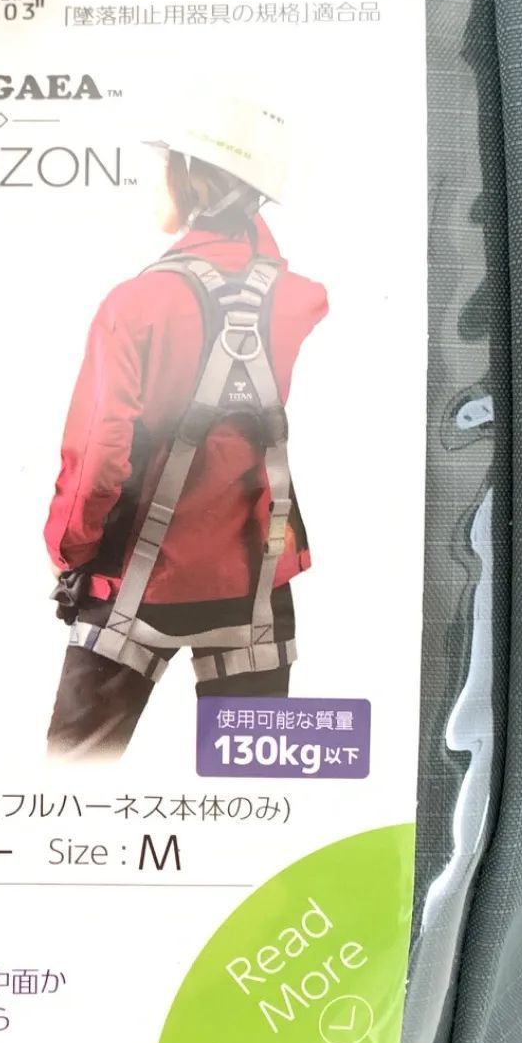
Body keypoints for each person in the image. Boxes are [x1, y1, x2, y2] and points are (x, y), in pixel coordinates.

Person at [43, 98, 329, 760]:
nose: (156, 179)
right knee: (255, 794)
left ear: (193, 179)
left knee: (69, 783)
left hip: (133, 582)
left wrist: (70, 551)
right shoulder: (299, 298)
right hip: (256, 580)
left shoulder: (135, 304)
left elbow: (99, 456)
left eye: (165, 165)